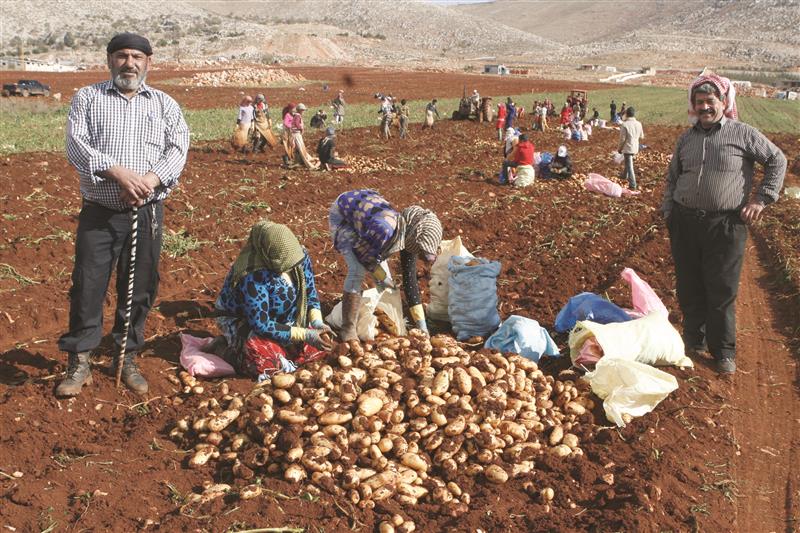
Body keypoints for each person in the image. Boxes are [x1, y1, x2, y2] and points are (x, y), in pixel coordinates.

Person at [57, 33, 189, 396]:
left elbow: (178, 148)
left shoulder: (164, 104)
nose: (128, 63)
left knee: (141, 286)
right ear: (109, 59)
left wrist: (150, 179)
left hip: (147, 212)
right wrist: (116, 172)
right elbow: (76, 145)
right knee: (88, 284)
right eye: (121, 56)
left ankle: (125, 356)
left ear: (149, 62)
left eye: (136, 56)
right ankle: (79, 360)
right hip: (100, 211)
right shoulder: (88, 98)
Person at [662, 74, 786, 375]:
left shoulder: (742, 133)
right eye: (699, 102)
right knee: (689, 285)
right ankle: (694, 341)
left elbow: (776, 159)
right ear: (694, 106)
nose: (705, 107)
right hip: (686, 222)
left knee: (721, 289)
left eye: (710, 101)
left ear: (723, 103)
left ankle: (724, 351)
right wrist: (669, 209)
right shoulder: (687, 138)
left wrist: (761, 199)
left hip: (726, 224)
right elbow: (673, 177)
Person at [210, 220, 333, 381]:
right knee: (267, 365)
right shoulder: (253, 276)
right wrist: (305, 334)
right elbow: (261, 324)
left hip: (287, 320)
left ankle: (284, 349)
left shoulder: (299, 257)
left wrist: (317, 323)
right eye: (286, 266)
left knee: (322, 348)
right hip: (247, 322)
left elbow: (310, 294)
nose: (293, 268)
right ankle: (223, 349)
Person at [329, 189, 443, 342]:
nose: (422, 256)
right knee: (357, 271)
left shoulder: (410, 236)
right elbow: (363, 257)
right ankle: (347, 328)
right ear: (413, 238)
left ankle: (377, 314)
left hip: (368, 220)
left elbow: (410, 281)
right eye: (422, 250)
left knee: (386, 285)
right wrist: (381, 277)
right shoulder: (385, 231)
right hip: (344, 214)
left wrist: (422, 327)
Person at [618, 107, 644, 189]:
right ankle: (624, 176)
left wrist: (619, 148)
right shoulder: (639, 124)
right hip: (635, 147)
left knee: (630, 166)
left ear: (626, 114)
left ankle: (633, 184)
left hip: (628, 147)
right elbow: (642, 136)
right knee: (628, 162)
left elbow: (622, 139)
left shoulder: (625, 124)